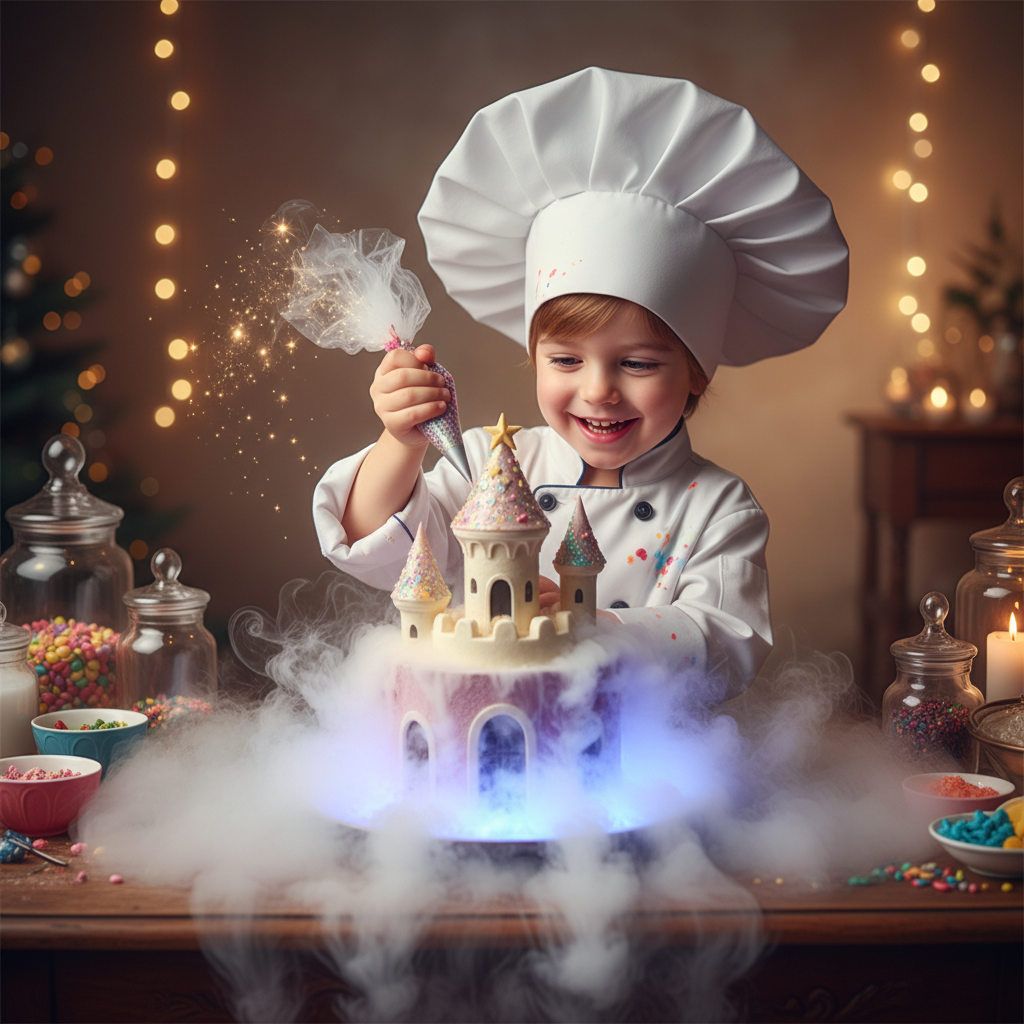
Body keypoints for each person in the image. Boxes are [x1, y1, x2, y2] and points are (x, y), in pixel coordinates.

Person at [313, 68, 848, 699]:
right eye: (567, 361)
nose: (599, 390)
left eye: (639, 363)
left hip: (647, 764)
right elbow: (379, 556)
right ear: (534, 358)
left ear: (697, 371)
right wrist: (401, 441)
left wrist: (588, 625)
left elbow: (726, 644)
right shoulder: (490, 463)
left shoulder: (719, 509)